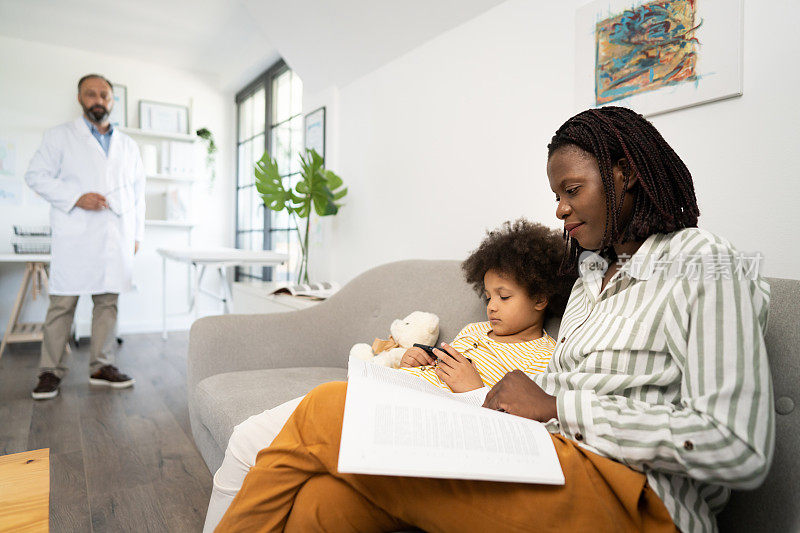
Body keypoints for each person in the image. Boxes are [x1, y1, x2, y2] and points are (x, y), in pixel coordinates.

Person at [216, 107, 773, 533]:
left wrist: (557, 405)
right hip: (549, 458)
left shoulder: (703, 262)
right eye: (556, 194)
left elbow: (738, 448)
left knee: (326, 407)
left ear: (625, 174)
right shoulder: (588, 281)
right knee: (325, 504)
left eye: (571, 190)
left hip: (640, 502)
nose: (559, 208)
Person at [202, 219, 576, 532]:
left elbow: (514, 431)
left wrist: (473, 389)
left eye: (504, 297)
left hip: (423, 424)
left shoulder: (543, 357)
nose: (492, 305)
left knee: (251, 442)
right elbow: (442, 367)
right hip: (393, 394)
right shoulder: (475, 331)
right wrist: (417, 361)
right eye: (489, 295)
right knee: (247, 439)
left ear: (541, 299)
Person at [26, 74, 145, 400]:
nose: (98, 99)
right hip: (76, 236)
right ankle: (49, 371)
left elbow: (138, 193)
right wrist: (77, 196)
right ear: (80, 98)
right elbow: (35, 175)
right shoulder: (60, 137)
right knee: (63, 304)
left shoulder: (129, 145)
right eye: (91, 94)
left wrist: (137, 234)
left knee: (108, 303)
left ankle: (101, 366)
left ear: (112, 100)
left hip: (115, 235)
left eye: (104, 95)